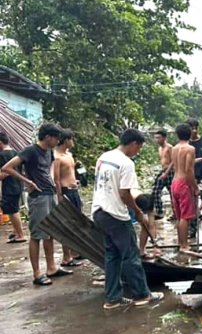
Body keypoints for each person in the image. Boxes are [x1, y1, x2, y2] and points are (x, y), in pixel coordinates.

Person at [91, 128, 163, 309]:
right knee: (131, 255)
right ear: (134, 144)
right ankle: (142, 295)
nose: (137, 153)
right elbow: (124, 193)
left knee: (112, 256)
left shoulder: (104, 157)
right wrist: (137, 211)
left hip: (99, 212)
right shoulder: (126, 163)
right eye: (138, 149)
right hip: (115, 215)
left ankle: (112, 298)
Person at [1, 123, 72, 285]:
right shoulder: (30, 151)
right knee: (37, 235)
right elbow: (7, 167)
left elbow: (51, 166)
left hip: (49, 194)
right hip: (38, 197)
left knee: (50, 232)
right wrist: (28, 181)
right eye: (56, 138)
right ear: (48, 137)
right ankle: (36, 273)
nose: (57, 142)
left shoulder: (49, 152)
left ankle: (51, 267)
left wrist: (53, 182)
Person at [53, 129, 84, 267]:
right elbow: (56, 179)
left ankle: (75, 251)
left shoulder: (69, 155)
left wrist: (75, 181)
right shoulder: (57, 157)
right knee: (67, 224)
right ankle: (67, 256)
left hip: (74, 190)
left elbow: (70, 173)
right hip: (65, 192)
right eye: (71, 139)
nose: (73, 142)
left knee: (77, 222)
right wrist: (59, 196)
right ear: (66, 140)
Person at [171, 123, 199, 252]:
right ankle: (184, 245)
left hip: (174, 182)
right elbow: (188, 170)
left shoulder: (174, 148)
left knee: (179, 216)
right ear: (190, 134)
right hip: (183, 183)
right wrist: (195, 186)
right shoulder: (190, 149)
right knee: (185, 217)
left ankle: (181, 243)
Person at [0, 132, 27, 244]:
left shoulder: (1, 156)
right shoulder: (16, 153)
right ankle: (16, 231)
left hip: (9, 186)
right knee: (14, 208)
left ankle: (20, 234)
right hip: (18, 184)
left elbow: (3, 173)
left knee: (13, 211)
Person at [151, 129, 174, 220]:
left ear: (164, 138)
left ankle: (175, 213)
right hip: (163, 171)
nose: (157, 140)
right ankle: (159, 212)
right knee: (155, 191)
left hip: (170, 172)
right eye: (155, 138)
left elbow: (173, 161)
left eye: (158, 138)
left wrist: (167, 172)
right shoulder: (160, 148)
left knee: (172, 194)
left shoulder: (170, 147)